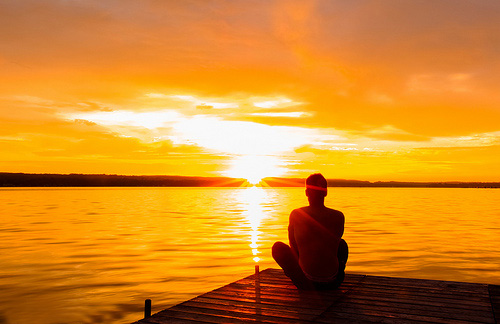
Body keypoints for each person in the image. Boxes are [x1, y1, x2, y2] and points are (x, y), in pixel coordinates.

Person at [272, 173, 348, 290]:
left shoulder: (296, 214)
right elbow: (334, 243)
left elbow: (293, 248)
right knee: (342, 245)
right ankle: (333, 272)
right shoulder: (339, 216)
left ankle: (294, 274)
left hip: (306, 283)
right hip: (334, 282)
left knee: (277, 247)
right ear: (326, 192)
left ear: (306, 192)